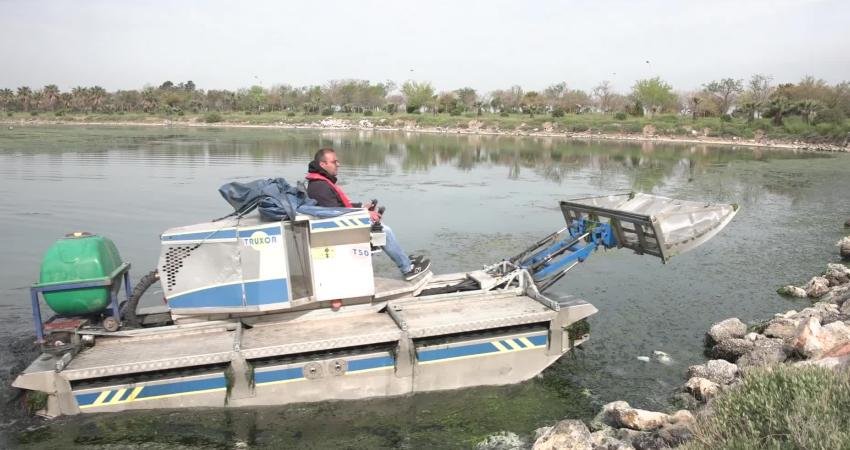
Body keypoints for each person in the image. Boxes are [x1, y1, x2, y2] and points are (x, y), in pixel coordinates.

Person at [306, 148, 431, 281]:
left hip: (338, 225)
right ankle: (408, 269)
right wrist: (364, 214)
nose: (338, 164)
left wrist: (361, 207)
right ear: (323, 164)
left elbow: (337, 208)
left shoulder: (321, 183)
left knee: (381, 228)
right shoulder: (320, 187)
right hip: (337, 231)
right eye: (334, 162)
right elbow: (335, 214)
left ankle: (405, 260)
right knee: (384, 231)